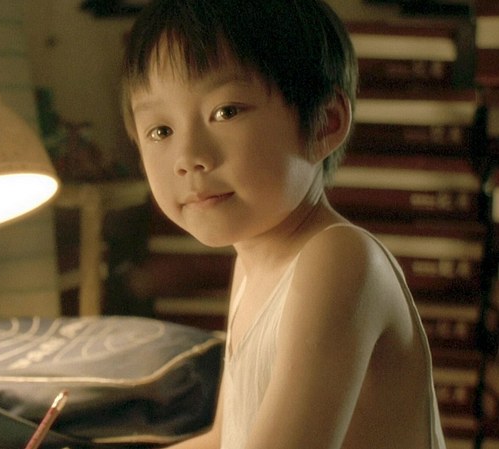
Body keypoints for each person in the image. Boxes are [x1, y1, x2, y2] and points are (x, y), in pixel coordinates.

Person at [120, 0, 447, 448]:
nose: (188, 157)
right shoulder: (253, 260)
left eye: (226, 112)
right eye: (161, 131)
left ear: (325, 123)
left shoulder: (337, 259)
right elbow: (226, 438)